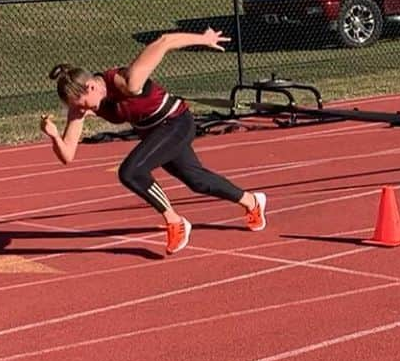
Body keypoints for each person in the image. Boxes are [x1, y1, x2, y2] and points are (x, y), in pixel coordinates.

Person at [41, 28, 267, 256]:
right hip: (154, 134)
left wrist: (204, 39)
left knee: (130, 171)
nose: (82, 110)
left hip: (176, 122)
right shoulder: (81, 105)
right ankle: (252, 201)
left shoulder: (128, 81)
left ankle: (175, 221)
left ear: (91, 86)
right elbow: (67, 155)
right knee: (196, 180)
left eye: (82, 104)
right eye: (77, 107)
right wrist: (53, 136)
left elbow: (165, 41)